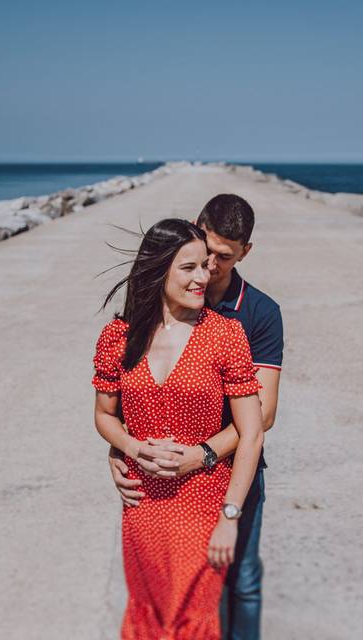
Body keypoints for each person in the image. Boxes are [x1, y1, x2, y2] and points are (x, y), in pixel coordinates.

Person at [108, 195, 283, 639]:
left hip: (223, 476)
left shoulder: (254, 317)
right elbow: (123, 405)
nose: (211, 269)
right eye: (203, 258)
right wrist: (123, 446)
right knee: (156, 607)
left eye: (222, 259)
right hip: (152, 491)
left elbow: (260, 418)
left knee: (236, 583)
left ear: (246, 252)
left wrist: (202, 457)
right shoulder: (129, 330)